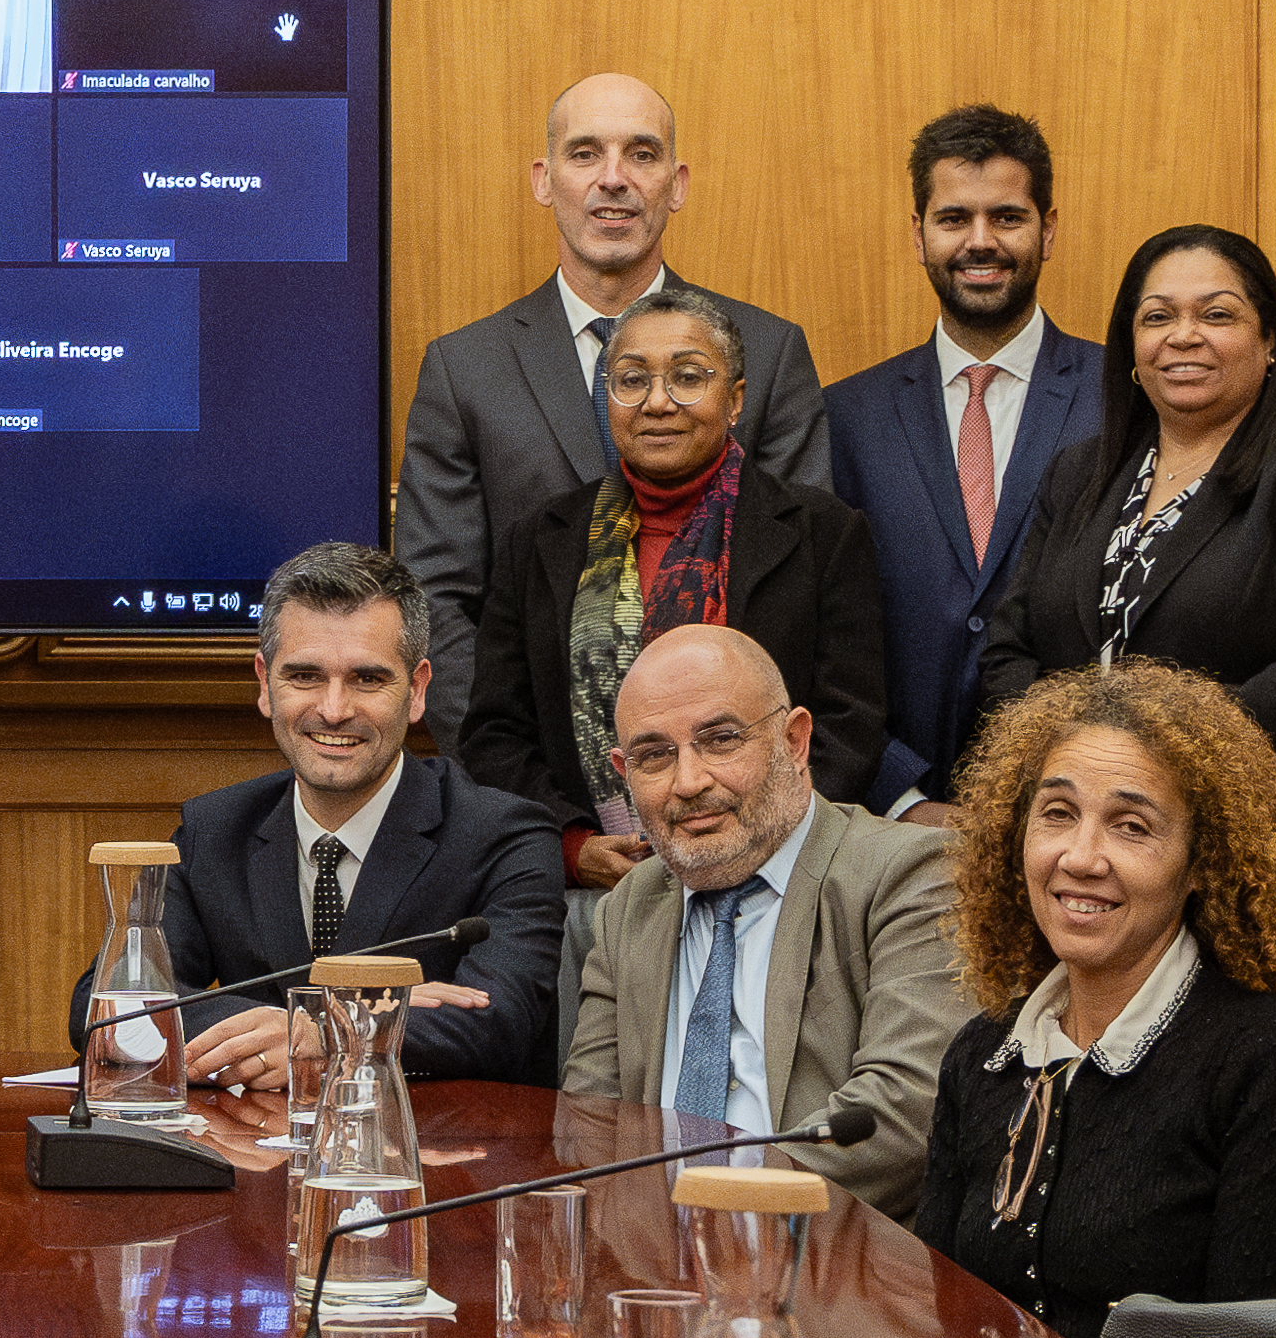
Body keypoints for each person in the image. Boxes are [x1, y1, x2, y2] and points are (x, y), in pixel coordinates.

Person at [976, 222, 1276, 969]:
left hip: (1263, 859)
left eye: (1216, 314)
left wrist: (1142, 766)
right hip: (1089, 862)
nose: (1184, 337)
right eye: (1157, 317)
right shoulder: (1079, 475)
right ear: (1131, 350)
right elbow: (1010, 648)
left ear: (1270, 341)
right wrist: (1088, 776)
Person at [912, 662, 1276, 1338]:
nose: (1082, 856)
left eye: (1132, 826)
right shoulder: (980, 1056)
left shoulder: (1269, 1062)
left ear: (1203, 861)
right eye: (1057, 814)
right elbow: (936, 1330)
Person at [392, 70, 831, 738]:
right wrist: (519, 778)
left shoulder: (766, 355)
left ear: (676, 184)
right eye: (585, 152)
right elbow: (437, 601)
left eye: (642, 153)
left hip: (730, 772)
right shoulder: (465, 371)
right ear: (544, 179)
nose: (614, 177)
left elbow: (799, 590)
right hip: (536, 790)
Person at [57, 540, 561, 1087]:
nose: (334, 709)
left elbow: (500, 1023)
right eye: (304, 677)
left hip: (432, 1158)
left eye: (368, 679)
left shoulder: (504, 836)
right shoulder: (215, 829)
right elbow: (106, 1006)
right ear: (265, 684)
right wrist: (353, 1020)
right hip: (254, 1156)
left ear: (416, 692)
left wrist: (317, 1034)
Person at [455, 290, 889, 884]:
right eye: (631, 380)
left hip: (780, 874)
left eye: (688, 377)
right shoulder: (540, 542)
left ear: (735, 400)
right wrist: (571, 843)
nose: (658, 403)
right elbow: (497, 732)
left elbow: (850, 720)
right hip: (596, 890)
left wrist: (758, 839)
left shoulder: (822, 534)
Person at [559, 626, 961, 1213]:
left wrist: (717, 1221)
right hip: (652, 1268)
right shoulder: (630, 907)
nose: (689, 782)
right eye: (653, 756)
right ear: (623, 770)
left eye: (721, 740)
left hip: (833, 1269)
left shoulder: (909, 873)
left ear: (795, 742)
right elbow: (590, 1125)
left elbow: (901, 1118)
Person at [819, 103, 1107, 815]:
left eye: (1007, 217)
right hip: (892, 825)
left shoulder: (1124, 400)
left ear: (1049, 230)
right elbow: (819, 623)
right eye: (954, 219)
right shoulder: (846, 415)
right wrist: (902, 796)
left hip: (1086, 810)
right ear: (918, 235)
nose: (981, 241)